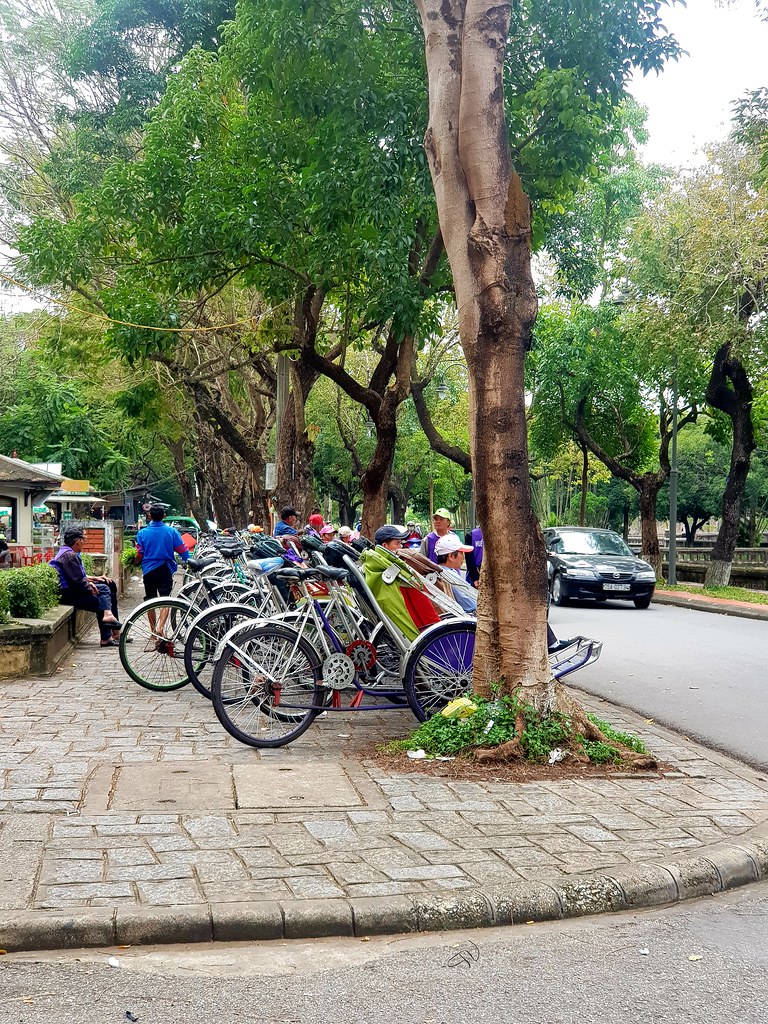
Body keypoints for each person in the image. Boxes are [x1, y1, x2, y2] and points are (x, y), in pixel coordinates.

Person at [50, 527, 122, 647]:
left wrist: (94, 579)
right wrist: (90, 587)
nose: (85, 542)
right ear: (78, 541)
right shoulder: (69, 556)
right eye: (84, 539)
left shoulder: (68, 553)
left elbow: (77, 576)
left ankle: (112, 630)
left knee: (109, 585)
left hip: (72, 591)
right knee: (102, 596)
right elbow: (78, 582)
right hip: (69, 595)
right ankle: (107, 634)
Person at [135, 504, 191, 599]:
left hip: (148, 569)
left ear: (150, 516)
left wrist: (134, 562)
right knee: (165, 599)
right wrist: (189, 561)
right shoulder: (172, 532)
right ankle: (163, 615)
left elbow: (140, 553)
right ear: (164, 516)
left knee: (150, 600)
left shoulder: (142, 533)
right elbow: (182, 550)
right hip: (166, 568)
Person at [434, 533, 477, 613]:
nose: (463, 557)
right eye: (461, 553)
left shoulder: (443, 572)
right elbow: (470, 605)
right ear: (451, 556)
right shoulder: (450, 576)